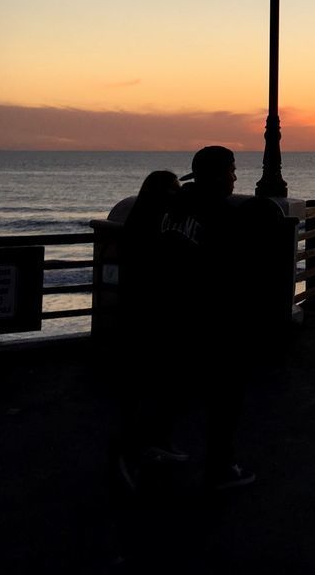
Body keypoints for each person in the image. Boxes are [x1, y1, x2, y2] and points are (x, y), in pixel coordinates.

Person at [160, 145, 259, 491]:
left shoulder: (173, 208)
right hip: (211, 319)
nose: (235, 177)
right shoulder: (220, 213)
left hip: (172, 315)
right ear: (218, 175)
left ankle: (152, 448)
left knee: (169, 387)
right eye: (231, 170)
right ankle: (220, 467)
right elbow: (232, 271)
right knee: (225, 395)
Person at [114, 170, 185, 491]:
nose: (177, 193)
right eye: (173, 189)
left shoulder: (152, 221)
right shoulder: (153, 226)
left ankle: (157, 444)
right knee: (144, 384)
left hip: (151, 315)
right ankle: (132, 453)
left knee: (162, 383)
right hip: (148, 316)